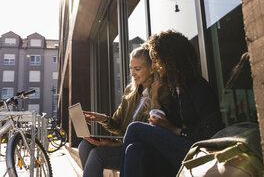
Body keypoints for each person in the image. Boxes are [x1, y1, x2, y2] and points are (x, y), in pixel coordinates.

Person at [120, 30, 224, 177]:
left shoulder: (198, 87)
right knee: (134, 150)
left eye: (156, 61)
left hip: (199, 152)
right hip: (178, 152)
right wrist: (156, 101)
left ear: (170, 60)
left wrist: (176, 131)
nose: (154, 66)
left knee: (134, 129)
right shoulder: (174, 89)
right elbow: (161, 128)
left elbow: (212, 132)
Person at [78, 45, 154, 177]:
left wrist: (115, 144)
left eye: (137, 69)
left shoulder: (158, 94)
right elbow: (117, 124)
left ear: (151, 69)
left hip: (137, 151)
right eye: (131, 69)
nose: (132, 74)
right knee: (84, 146)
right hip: (122, 145)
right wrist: (102, 118)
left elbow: (147, 137)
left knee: (97, 155)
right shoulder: (131, 91)